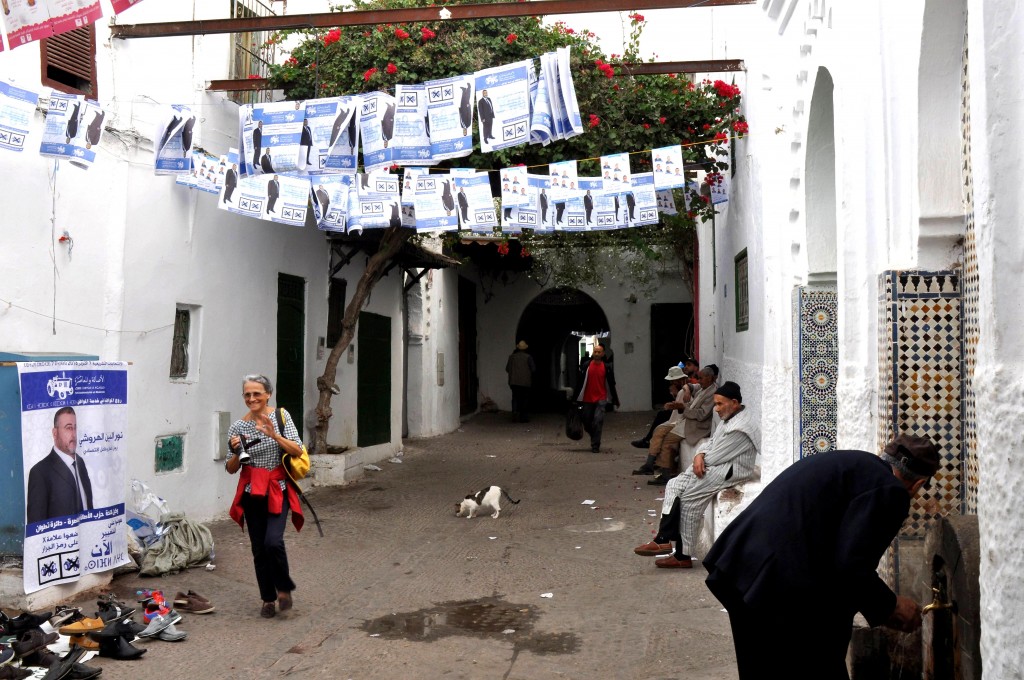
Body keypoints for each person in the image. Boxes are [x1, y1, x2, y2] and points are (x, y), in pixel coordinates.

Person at [703, 434, 940, 679]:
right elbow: (852, 567)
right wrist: (891, 606)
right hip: (774, 587)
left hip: (741, 566)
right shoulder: (890, 490)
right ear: (918, 484)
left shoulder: (853, 464)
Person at [633, 381, 758, 568]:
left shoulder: (740, 428)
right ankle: (663, 539)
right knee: (673, 485)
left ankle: (682, 556)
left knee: (689, 498)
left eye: (720, 404)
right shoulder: (729, 418)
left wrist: (700, 457)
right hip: (715, 464)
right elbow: (710, 443)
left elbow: (714, 456)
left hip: (730, 470)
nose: (716, 409)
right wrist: (699, 455)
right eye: (715, 404)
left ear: (734, 403)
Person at [226, 374, 306, 619]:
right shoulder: (238, 427)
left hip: (277, 489)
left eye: (257, 393)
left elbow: (297, 449)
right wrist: (237, 451)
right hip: (252, 493)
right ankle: (268, 599)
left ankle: (283, 588)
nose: (252, 398)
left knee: (273, 542)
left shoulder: (281, 417)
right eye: (247, 394)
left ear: (268, 394)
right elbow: (230, 468)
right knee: (259, 549)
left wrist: (275, 436)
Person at [636, 367, 716, 479]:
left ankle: (665, 473)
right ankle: (650, 465)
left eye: (701, 378)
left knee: (668, 440)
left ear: (709, 378)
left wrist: (682, 408)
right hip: (684, 420)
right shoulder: (702, 387)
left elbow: (702, 414)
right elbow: (690, 386)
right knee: (659, 430)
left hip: (696, 426)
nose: (699, 381)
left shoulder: (712, 392)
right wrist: (686, 392)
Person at [26, 407, 93, 523]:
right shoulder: (40, 473)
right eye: (68, 428)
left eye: (75, 428)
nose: (73, 434)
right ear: (55, 433)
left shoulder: (80, 463)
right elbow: (37, 526)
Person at [577, 344, 616, 452]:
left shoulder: (606, 367)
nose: (597, 354)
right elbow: (580, 382)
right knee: (586, 421)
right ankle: (594, 435)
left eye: (599, 352)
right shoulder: (586, 365)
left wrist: (615, 399)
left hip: (601, 398)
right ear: (593, 353)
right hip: (587, 398)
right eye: (595, 351)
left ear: (603, 354)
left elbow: (612, 384)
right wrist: (576, 398)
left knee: (598, 421)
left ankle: (595, 445)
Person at [505, 341, 536, 423]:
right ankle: (523, 417)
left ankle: (514, 414)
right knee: (524, 399)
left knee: (515, 398)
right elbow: (533, 369)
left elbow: (507, 369)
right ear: (525, 349)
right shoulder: (528, 357)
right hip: (525, 383)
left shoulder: (511, 357)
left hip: (514, 382)